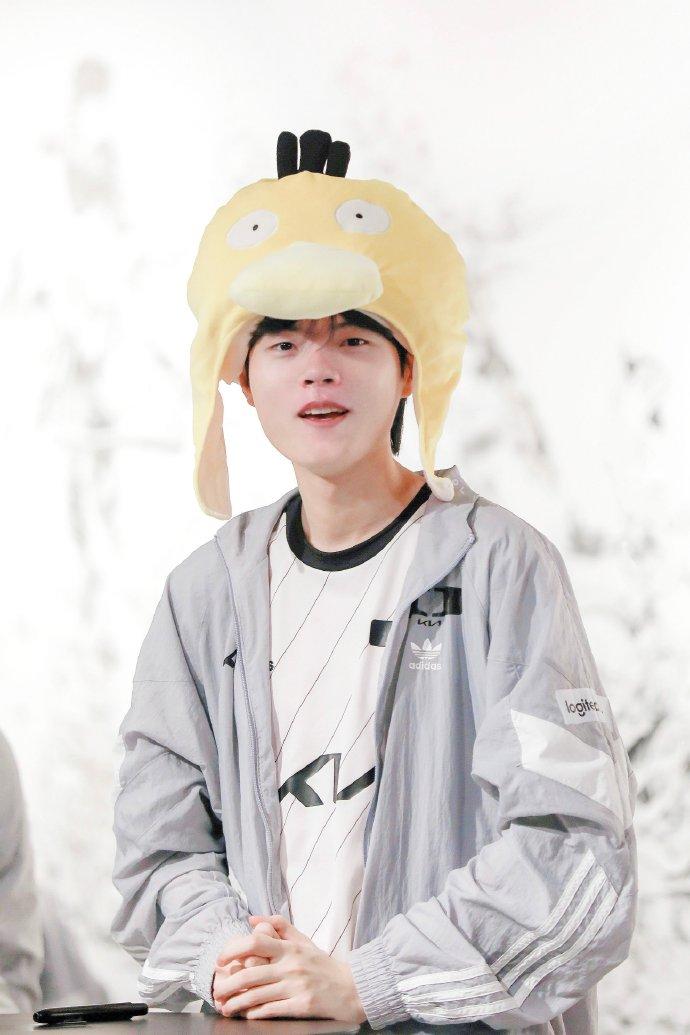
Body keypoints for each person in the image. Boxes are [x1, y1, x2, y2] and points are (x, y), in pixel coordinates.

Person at [111, 130, 637, 1034]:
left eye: (354, 336)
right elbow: (158, 848)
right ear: (244, 379)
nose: (317, 366)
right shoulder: (204, 595)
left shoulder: (501, 564)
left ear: (406, 369)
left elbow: (576, 847)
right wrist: (236, 957)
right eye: (283, 342)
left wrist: (370, 980)